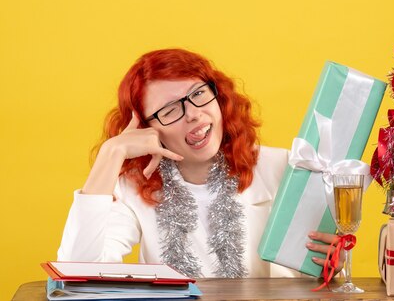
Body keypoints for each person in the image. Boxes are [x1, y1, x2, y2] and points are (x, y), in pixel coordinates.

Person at [57, 48, 342, 278]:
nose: (192, 114)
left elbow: (314, 271)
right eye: (169, 110)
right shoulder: (133, 186)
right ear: (146, 128)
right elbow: (78, 272)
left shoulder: (283, 167)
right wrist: (112, 152)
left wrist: (331, 266)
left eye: (197, 94)